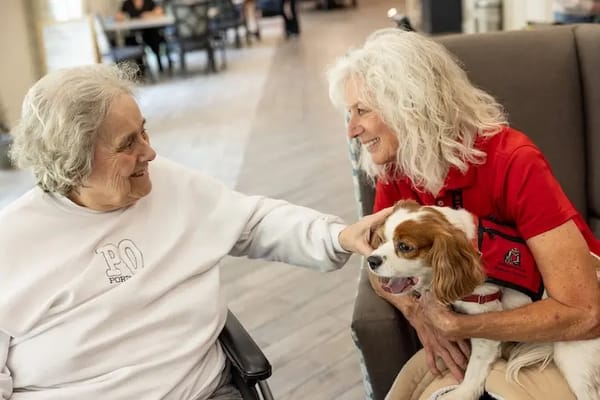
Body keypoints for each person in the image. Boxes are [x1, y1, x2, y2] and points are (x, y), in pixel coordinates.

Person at [0, 63, 391, 400]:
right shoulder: (12, 243)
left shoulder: (167, 184)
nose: (150, 152)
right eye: (128, 144)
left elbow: (253, 221)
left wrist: (336, 235)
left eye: (144, 131)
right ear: (74, 163)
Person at [326, 28, 600, 398]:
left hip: (561, 333)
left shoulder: (512, 161)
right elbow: (379, 265)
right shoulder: (396, 168)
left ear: (409, 105)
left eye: (362, 111)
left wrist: (460, 326)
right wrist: (420, 312)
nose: (352, 129)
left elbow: (584, 313)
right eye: (349, 114)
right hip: (487, 337)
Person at [116, 0, 171, 72]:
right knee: (130, 41)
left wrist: (150, 14)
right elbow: (118, 15)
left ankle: (159, 63)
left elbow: (160, 11)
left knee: (154, 37)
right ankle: (140, 68)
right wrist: (121, 16)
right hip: (134, 32)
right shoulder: (127, 3)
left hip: (149, 31)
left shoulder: (149, 2)